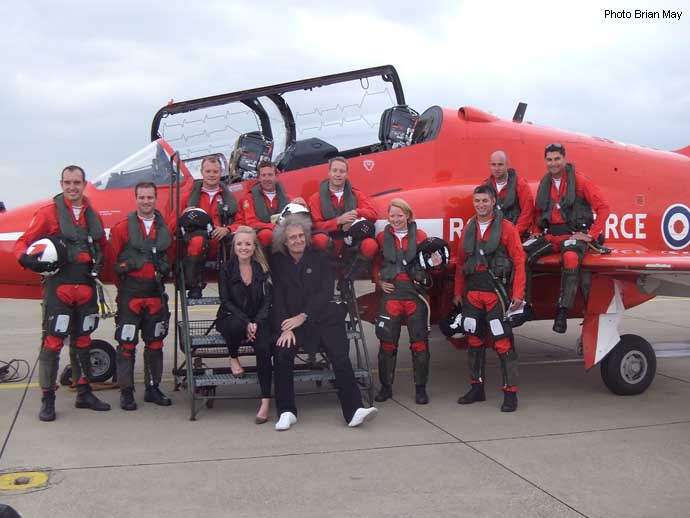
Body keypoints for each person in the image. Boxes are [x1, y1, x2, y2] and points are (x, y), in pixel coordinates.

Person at [15, 165, 111, 421]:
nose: (72, 187)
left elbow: (101, 245)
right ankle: (48, 399)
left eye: (77, 182)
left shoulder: (93, 214)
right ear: (61, 184)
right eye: (67, 182)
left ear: (84, 184)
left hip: (86, 286)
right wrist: (26, 260)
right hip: (60, 287)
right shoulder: (48, 213)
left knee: (83, 342)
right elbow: (23, 242)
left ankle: (83, 392)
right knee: (52, 343)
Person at [269, 214, 378, 431]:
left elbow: (325, 292)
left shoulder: (319, 257)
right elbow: (277, 297)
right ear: (285, 241)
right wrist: (284, 326)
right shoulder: (278, 262)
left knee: (339, 354)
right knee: (282, 353)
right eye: (293, 238)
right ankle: (286, 411)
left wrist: (303, 316)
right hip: (291, 322)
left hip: (321, 317)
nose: (298, 240)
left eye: (301, 236)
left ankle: (354, 410)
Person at [453, 185, 526, 412]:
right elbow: (460, 262)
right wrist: (457, 292)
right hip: (473, 292)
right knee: (474, 340)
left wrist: (518, 294)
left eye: (485, 201)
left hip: (496, 294)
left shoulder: (506, 228)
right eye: (477, 201)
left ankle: (510, 393)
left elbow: (519, 261)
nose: (481, 205)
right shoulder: (469, 229)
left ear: (493, 201)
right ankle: (477, 387)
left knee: (502, 342)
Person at [525, 143, 610, 333]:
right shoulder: (544, 184)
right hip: (552, 235)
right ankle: (525, 306)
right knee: (521, 254)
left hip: (574, 234)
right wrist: (537, 230)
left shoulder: (580, 182)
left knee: (571, 258)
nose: (553, 163)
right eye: (549, 159)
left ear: (564, 159)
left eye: (557, 159)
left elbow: (604, 208)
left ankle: (562, 311)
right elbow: (539, 211)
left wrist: (590, 235)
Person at [108, 182, 173, 411]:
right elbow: (112, 263)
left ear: (156, 199)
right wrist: (125, 288)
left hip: (155, 293)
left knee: (155, 342)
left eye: (150, 197)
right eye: (142, 197)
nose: (146, 202)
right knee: (126, 343)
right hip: (130, 294)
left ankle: (153, 388)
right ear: (135, 199)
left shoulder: (164, 229)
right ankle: (126, 391)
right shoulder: (121, 229)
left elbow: (170, 258)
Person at [372, 199, 434, 405]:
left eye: (400, 215)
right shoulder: (382, 238)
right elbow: (376, 263)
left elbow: (431, 266)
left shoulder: (421, 237)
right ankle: (386, 387)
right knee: (387, 344)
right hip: (392, 296)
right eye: (392, 216)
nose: (396, 219)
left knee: (419, 344)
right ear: (388, 217)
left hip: (415, 296)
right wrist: (379, 281)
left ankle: (421, 388)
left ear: (408, 215)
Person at [215, 225, 273, 424]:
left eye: (248, 244)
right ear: (234, 246)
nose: (243, 247)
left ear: (254, 246)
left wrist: (256, 322)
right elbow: (226, 300)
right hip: (232, 316)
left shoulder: (262, 268)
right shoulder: (226, 268)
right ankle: (233, 357)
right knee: (236, 326)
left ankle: (265, 401)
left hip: (256, 320)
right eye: (239, 244)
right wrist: (246, 322)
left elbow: (267, 300)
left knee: (264, 349)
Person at [175, 155, 239, 299]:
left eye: (215, 172)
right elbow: (174, 221)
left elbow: (241, 222)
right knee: (197, 242)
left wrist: (227, 229)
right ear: (202, 172)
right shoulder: (189, 196)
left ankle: (234, 287)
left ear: (220, 173)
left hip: (221, 242)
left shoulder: (229, 198)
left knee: (240, 243)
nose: (211, 175)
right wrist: (184, 216)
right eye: (208, 171)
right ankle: (193, 284)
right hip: (196, 240)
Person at [308, 156, 378, 277]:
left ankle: (348, 279)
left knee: (370, 244)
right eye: (335, 170)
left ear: (346, 174)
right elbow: (315, 225)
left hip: (352, 238)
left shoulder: (356, 194)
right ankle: (323, 280)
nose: (338, 174)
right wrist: (339, 221)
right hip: (331, 240)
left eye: (342, 171)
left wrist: (355, 213)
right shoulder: (316, 198)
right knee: (319, 239)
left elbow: (373, 214)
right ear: (329, 173)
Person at [238, 160, 304, 249]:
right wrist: (273, 227)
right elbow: (251, 223)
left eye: (270, 175)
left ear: (276, 177)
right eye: (263, 175)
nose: (267, 178)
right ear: (259, 178)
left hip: (285, 233)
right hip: (262, 235)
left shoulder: (288, 198)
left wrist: (301, 205)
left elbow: (299, 217)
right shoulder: (249, 199)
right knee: (266, 235)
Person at [485, 150, 534, 237]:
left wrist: (513, 235)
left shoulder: (521, 185)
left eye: (500, 164)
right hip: (493, 236)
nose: (496, 168)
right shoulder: (485, 186)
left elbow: (527, 213)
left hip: (516, 235)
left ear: (507, 165)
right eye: (493, 164)